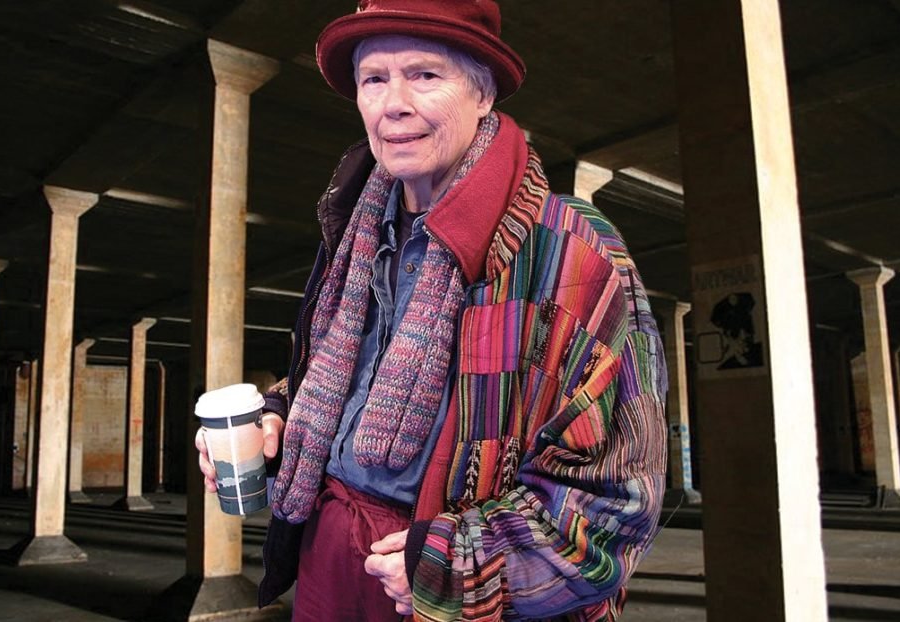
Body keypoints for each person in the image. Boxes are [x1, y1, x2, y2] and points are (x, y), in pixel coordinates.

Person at [197, 1, 667, 619]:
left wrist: (455, 562)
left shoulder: (572, 250)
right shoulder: (359, 228)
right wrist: (280, 417)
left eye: (424, 74)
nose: (393, 103)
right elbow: (341, 381)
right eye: (374, 79)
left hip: (445, 584)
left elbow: (619, 496)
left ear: (482, 93)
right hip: (331, 562)